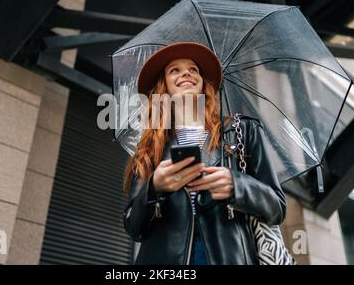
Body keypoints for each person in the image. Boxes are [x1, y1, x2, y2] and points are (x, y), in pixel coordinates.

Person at [122, 42, 286, 265]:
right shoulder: (149, 149)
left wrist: (236, 185)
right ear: (163, 87)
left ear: (202, 83)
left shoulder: (241, 131)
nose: (187, 73)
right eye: (175, 70)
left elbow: (277, 208)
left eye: (193, 69)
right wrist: (154, 188)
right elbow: (133, 227)